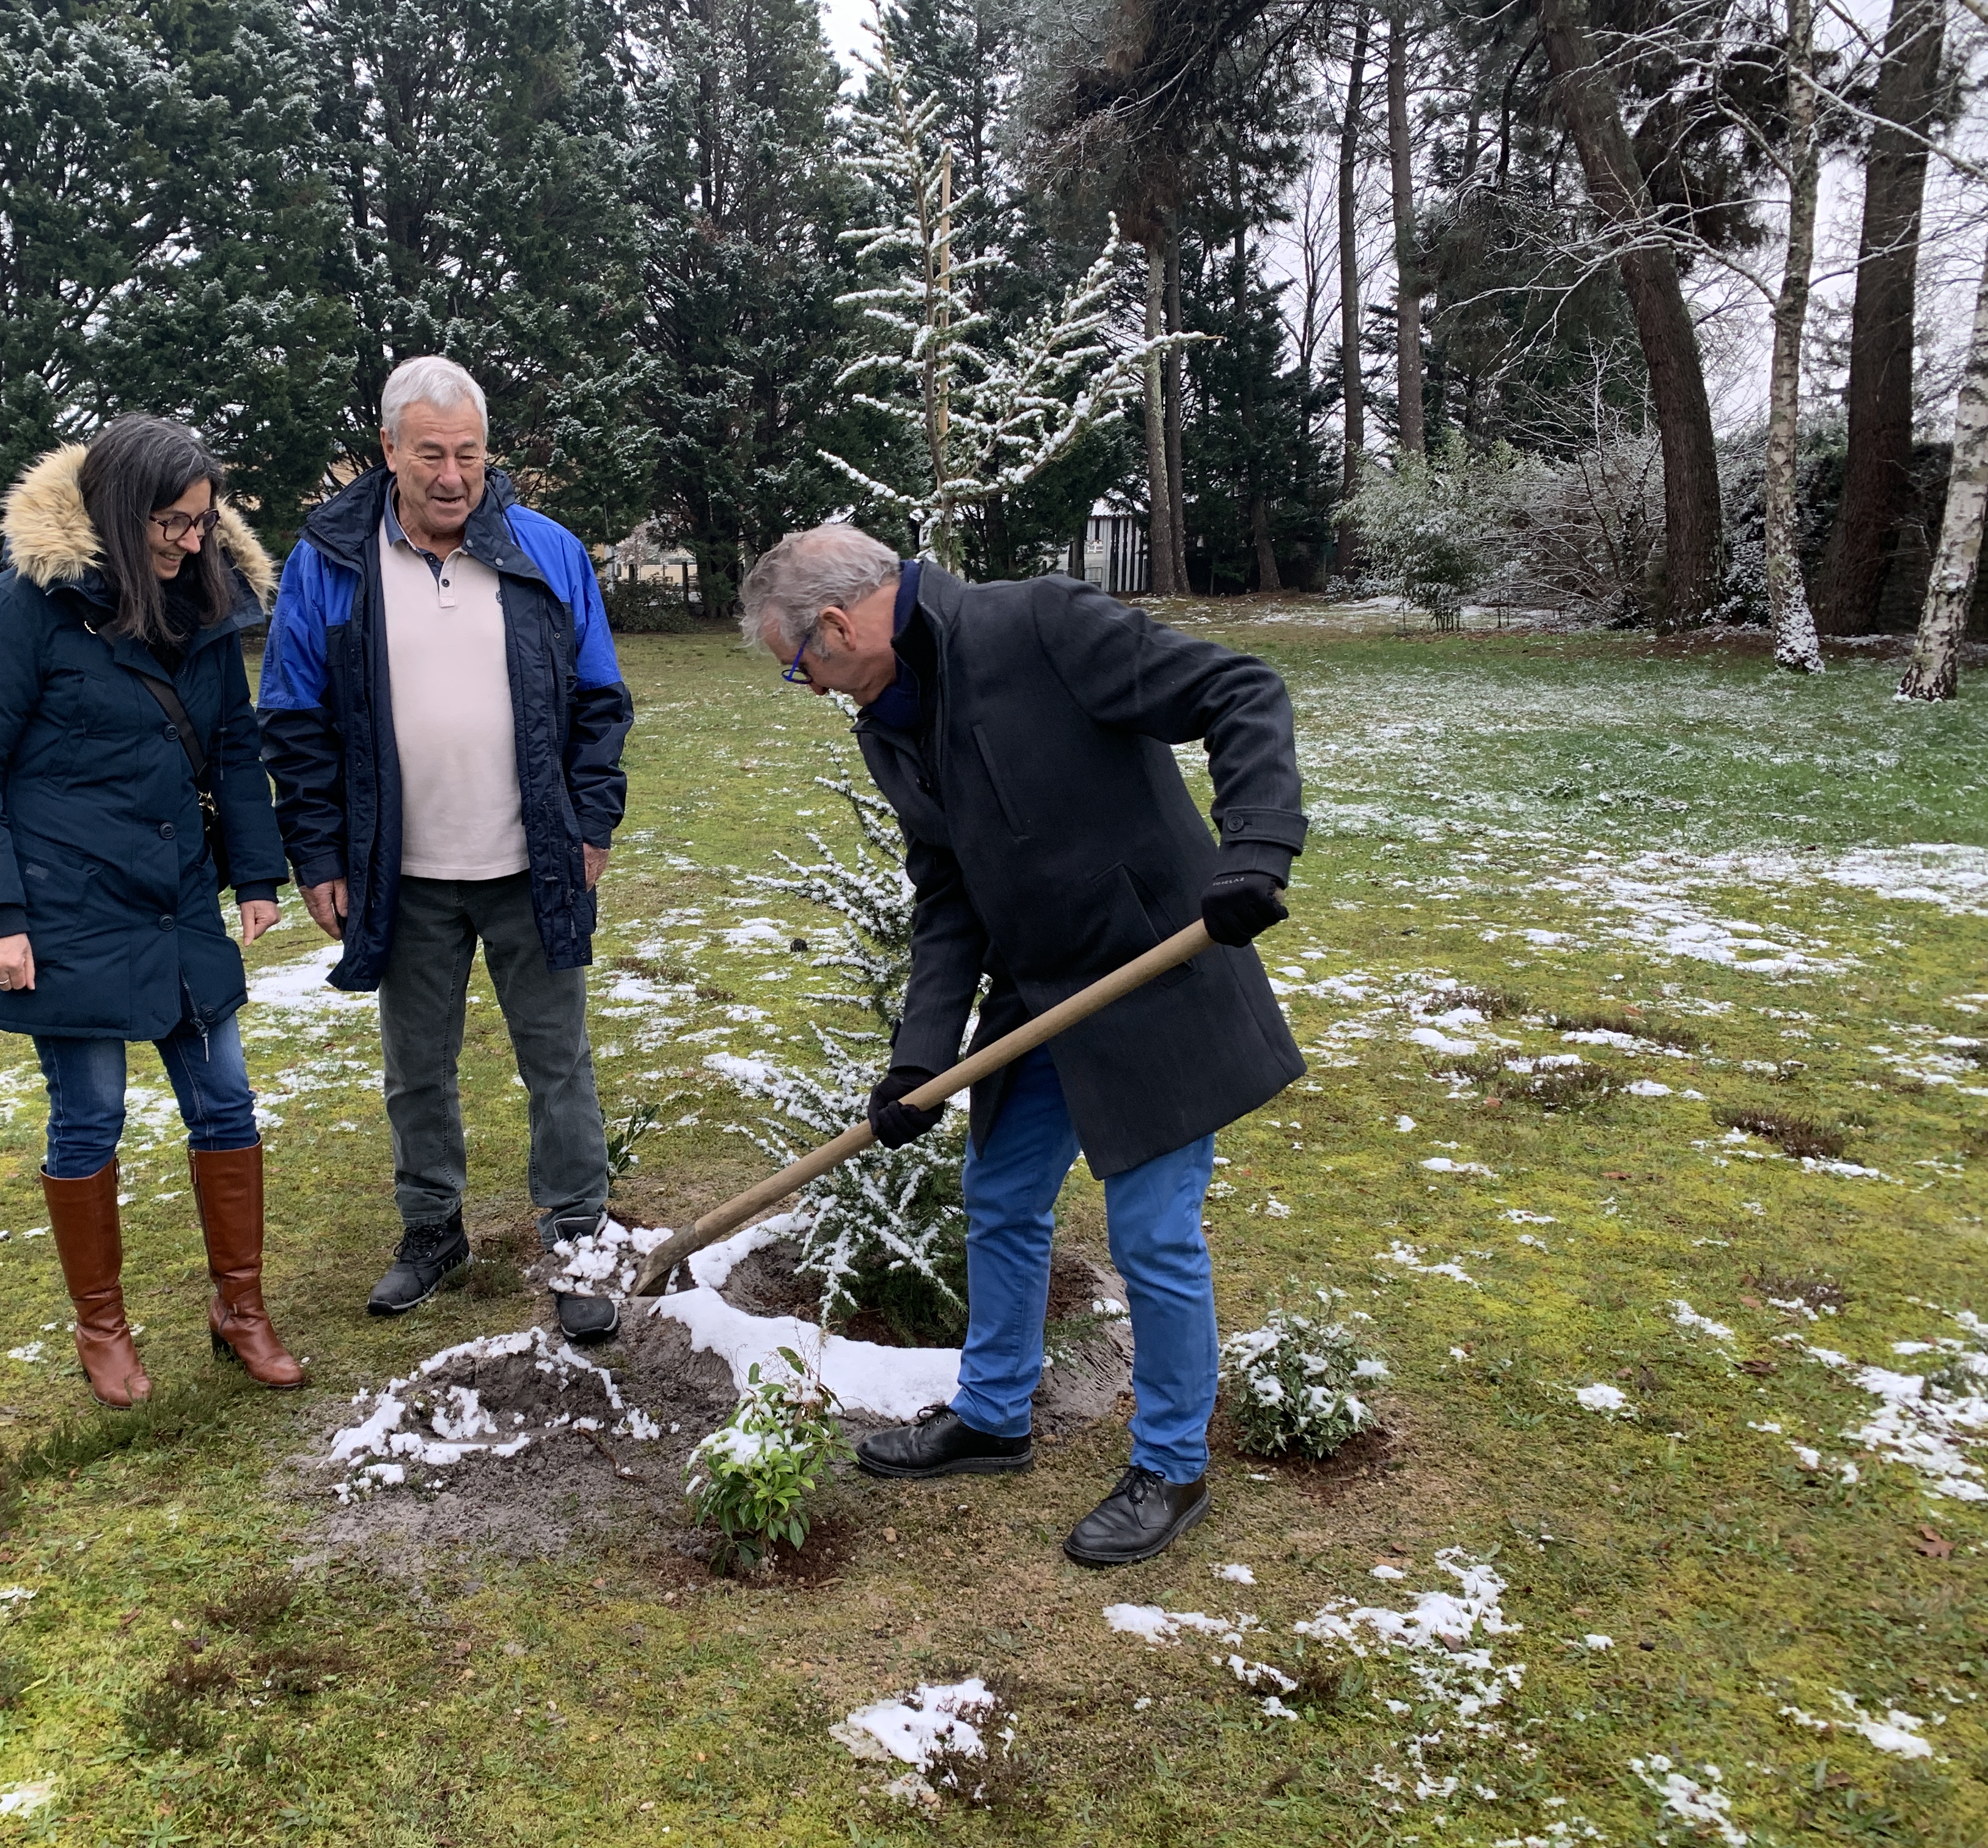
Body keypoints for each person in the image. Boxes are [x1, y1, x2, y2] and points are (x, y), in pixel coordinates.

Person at [738, 523, 1308, 1566]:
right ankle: (994, 1416)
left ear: (834, 623)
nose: (807, 686)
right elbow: (949, 893)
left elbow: (1241, 691)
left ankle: (1173, 1467)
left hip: (1156, 968)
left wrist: (1257, 847)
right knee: (1001, 1196)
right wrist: (919, 1060)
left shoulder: (1039, 625)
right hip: (1040, 995)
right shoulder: (889, 719)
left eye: (799, 667)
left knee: (1153, 1233)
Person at [0, 416, 304, 1408]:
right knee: (87, 1117)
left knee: (226, 1103)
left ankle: (240, 1309)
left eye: (202, 521)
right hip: (64, 912)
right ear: (119, 512)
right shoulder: (16, 611)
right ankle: (103, 1325)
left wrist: (256, 877)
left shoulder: (205, 608)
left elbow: (230, 749)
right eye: (170, 523)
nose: (189, 541)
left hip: (177, 906)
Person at [257, 358, 633, 1340]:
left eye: (469, 453)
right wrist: (319, 855)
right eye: (431, 454)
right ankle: (432, 1229)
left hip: (532, 863)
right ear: (388, 452)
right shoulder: (329, 563)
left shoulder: (547, 551)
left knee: (559, 1062)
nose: (453, 475)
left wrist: (590, 826)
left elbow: (601, 703)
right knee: (416, 1063)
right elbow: (294, 719)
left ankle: (578, 1240)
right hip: (402, 873)